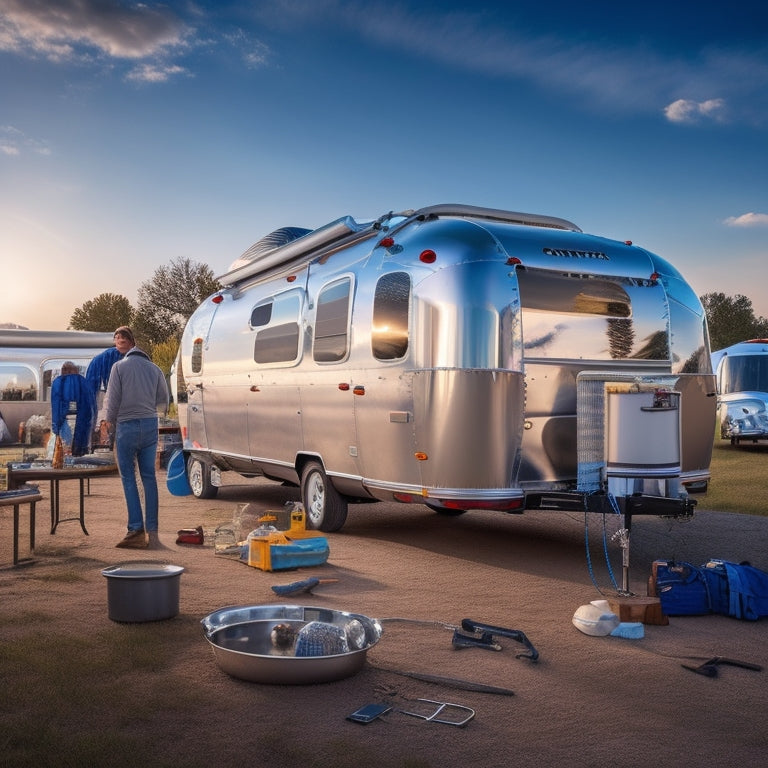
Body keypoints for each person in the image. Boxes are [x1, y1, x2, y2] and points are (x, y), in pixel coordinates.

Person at [104, 327, 169, 549]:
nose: (117, 343)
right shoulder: (155, 369)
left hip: (127, 426)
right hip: (151, 425)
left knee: (129, 477)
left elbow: (112, 400)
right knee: (149, 477)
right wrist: (151, 413)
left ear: (130, 344)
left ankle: (135, 531)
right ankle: (153, 530)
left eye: (120, 340)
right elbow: (163, 401)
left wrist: (107, 423)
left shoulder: (118, 367)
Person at [50, 361, 97, 458]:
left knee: (65, 452)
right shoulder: (85, 382)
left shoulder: (58, 382)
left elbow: (56, 406)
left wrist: (56, 427)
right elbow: (92, 406)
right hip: (83, 423)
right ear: (75, 370)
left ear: (65, 370)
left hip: (65, 422)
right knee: (81, 454)